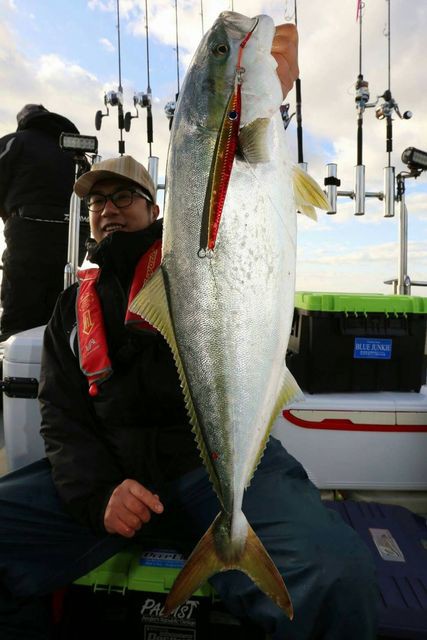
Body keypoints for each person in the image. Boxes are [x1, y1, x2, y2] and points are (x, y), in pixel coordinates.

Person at [0, 26, 378, 640]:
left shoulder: (192, 263)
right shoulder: (72, 309)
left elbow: (239, 200)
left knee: (336, 574)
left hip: (221, 473)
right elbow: (61, 420)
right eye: (97, 202)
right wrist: (99, 492)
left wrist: (267, 99)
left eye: (126, 196)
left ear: (157, 210)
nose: (109, 209)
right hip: (116, 479)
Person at [0, 104, 90, 339]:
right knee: (61, 305)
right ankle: (61, 358)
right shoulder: (76, 152)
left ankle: (16, 357)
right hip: (75, 236)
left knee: (21, 307)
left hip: (30, 232)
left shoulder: (15, 142)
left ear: (23, 121)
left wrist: (8, 217)